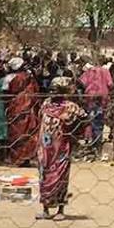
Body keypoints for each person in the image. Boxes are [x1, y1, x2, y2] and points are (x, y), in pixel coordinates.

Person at [36, 77, 88, 220]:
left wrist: (73, 133)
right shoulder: (46, 103)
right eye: (51, 89)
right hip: (45, 148)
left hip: (61, 147)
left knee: (61, 176)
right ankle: (45, 209)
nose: (52, 92)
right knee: (44, 175)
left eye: (55, 89)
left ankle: (60, 210)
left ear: (62, 91)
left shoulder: (70, 106)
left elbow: (84, 118)